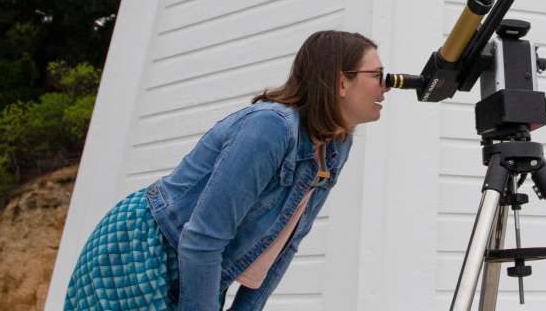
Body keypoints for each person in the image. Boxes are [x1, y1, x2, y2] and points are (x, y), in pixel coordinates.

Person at [64, 30, 388, 310]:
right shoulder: (271, 128)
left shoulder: (336, 146)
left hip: (199, 271)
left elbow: (287, 244)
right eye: (377, 75)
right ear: (340, 81)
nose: (386, 87)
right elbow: (203, 237)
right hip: (142, 254)